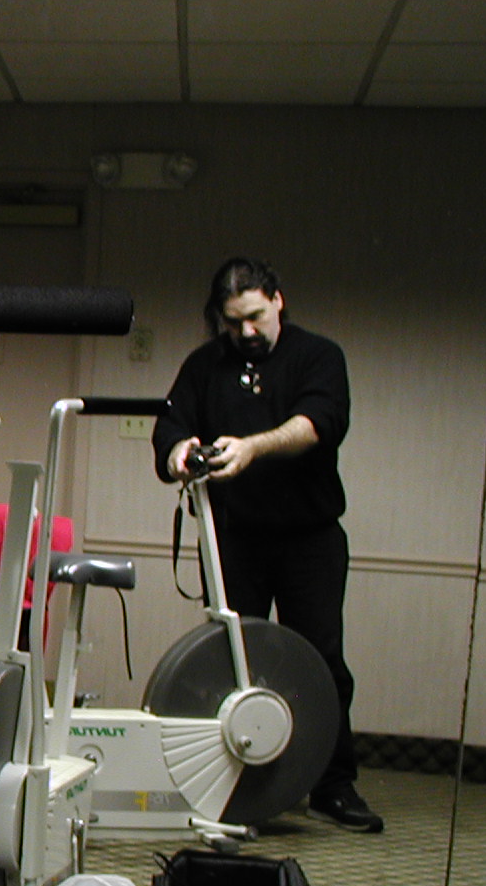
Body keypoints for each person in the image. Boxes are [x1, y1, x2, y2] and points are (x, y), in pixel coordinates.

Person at [151, 257, 381, 832]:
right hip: (233, 539)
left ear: (279, 300)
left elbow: (318, 423)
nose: (246, 332)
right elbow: (169, 426)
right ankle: (237, 788)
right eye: (233, 323)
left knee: (320, 662)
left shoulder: (318, 356)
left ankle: (332, 785)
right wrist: (179, 452)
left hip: (309, 539)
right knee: (234, 664)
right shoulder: (205, 365)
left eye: (255, 317)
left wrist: (252, 447)